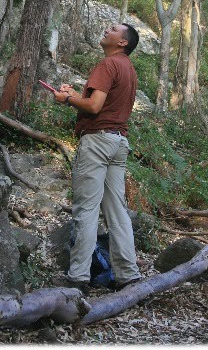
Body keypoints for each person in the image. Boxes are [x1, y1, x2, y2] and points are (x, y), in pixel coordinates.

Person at [53, 23, 141, 292]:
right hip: (118, 143)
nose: (106, 30)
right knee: (117, 211)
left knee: (87, 209)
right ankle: (128, 274)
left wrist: (68, 99)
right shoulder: (129, 70)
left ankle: (78, 276)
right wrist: (73, 95)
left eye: (113, 29)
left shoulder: (107, 65)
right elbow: (103, 106)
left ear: (122, 42)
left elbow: (94, 106)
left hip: (97, 142)